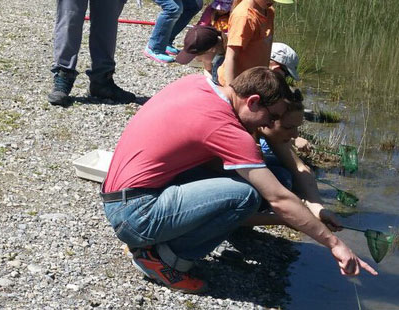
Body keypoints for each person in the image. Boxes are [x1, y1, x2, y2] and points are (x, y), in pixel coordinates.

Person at [102, 67, 376, 294]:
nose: (271, 124)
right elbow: (278, 199)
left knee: (270, 177)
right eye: (273, 116)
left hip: (124, 196)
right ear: (254, 101)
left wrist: (312, 208)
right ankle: (165, 258)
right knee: (247, 195)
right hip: (136, 212)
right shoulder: (226, 128)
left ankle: (157, 240)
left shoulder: (197, 84)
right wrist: (334, 244)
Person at [251, 95, 342, 231]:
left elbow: (299, 168)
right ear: (266, 118)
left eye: (297, 127)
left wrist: (319, 210)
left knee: (286, 176)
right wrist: (292, 219)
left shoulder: (268, 130)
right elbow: (235, 214)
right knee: (263, 188)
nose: (295, 135)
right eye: (288, 127)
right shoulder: (241, 136)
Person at [217, 0, 294, 86]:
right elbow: (231, 56)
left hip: (253, 81)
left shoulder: (268, 11)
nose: (272, 0)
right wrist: (231, 91)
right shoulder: (244, 17)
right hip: (237, 82)